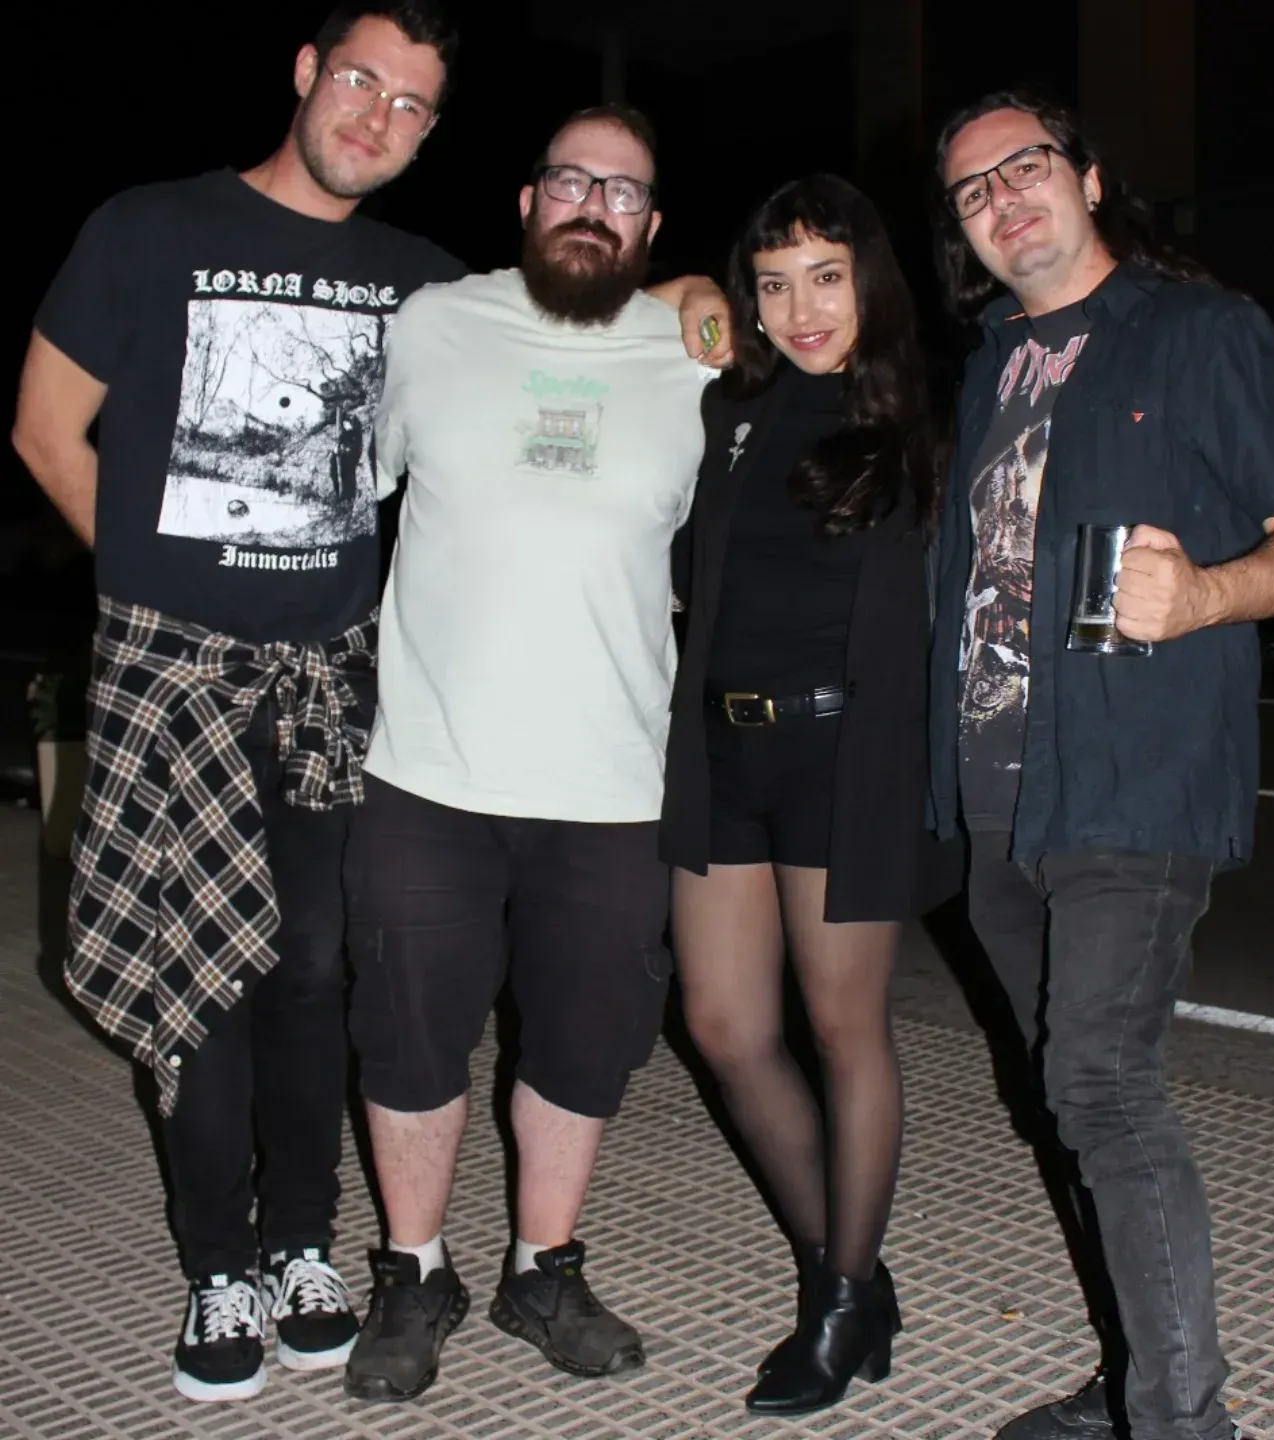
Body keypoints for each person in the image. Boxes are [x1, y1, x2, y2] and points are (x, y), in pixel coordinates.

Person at [10, 1, 473, 1403]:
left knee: (313, 975)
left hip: (335, 687)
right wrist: (160, 592)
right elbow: (43, 425)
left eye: (409, 106)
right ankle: (215, 1265)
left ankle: (300, 1244)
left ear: (429, 133)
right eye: (358, 82)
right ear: (304, 74)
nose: (375, 118)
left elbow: (553, 362)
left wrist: (693, 312)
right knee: (193, 985)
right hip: (175, 674)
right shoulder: (147, 228)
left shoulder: (427, 284)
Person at [927, 90, 1274, 1440]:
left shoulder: (1203, 331)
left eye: (1026, 168)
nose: (1004, 201)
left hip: (1136, 771)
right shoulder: (990, 359)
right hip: (997, 790)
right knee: (1066, 1095)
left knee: (1101, 1083)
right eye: (973, 192)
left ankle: (1182, 1421)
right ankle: (1131, 1379)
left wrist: (1212, 595)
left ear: (1089, 177)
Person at [339, 102, 727, 1403]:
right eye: (569, 180)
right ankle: (414, 1270)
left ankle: (541, 1268)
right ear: (525, 200)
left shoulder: (694, 351)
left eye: (622, 193)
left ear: (654, 226)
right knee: (406, 1041)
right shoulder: (435, 325)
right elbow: (339, 501)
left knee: (582, 1043)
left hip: (614, 786)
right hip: (428, 776)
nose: (591, 205)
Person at [659, 175, 938, 1417]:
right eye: (773, 284)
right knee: (723, 1025)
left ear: (867, 279)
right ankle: (855, 1270)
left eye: (825, 277)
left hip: (843, 756)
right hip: (720, 750)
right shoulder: (727, 404)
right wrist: (677, 292)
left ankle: (835, 1301)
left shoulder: (923, 421)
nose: (800, 307)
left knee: (841, 1030)